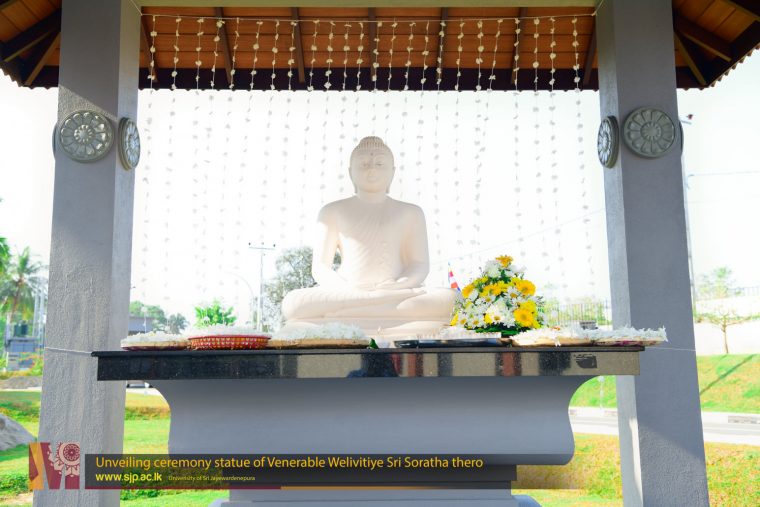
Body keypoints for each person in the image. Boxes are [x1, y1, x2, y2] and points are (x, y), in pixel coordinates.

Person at [280, 136, 455, 338]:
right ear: (350, 172)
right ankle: (376, 311)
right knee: (294, 303)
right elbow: (320, 267)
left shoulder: (411, 212)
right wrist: (348, 289)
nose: (371, 168)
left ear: (392, 172)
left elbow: (419, 264)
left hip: (396, 292)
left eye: (380, 163)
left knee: (450, 299)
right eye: (363, 163)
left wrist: (399, 285)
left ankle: (348, 317)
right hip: (349, 291)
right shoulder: (332, 211)